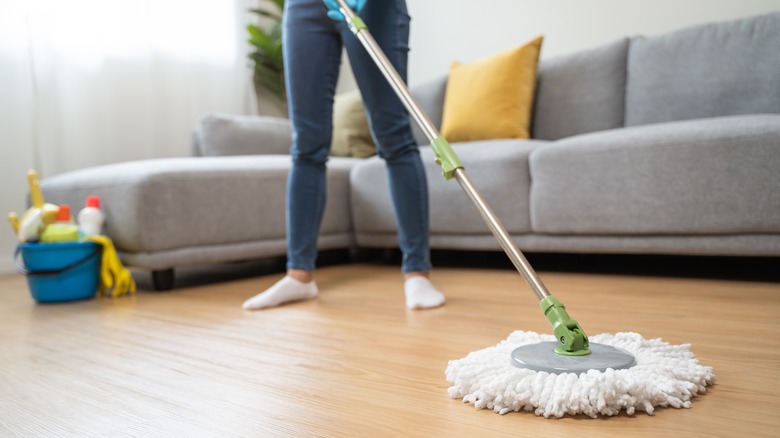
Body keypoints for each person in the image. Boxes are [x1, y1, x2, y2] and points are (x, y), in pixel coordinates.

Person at [242, 0, 445, 310]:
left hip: (375, 6)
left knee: (394, 136)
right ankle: (299, 276)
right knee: (306, 145)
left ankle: (417, 273)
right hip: (305, 6)